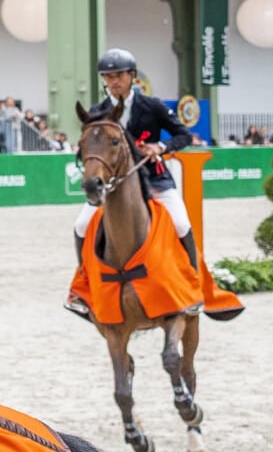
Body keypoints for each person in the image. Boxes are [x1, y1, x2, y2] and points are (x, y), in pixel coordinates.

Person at [70, 48, 198, 282]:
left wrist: (160, 146)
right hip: (112, 184)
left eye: (119, 75)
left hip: (153, 179)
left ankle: (193, 279)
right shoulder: (97, 112)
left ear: (132, 76)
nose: (114, 81)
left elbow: (184, 136)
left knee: (181, 223)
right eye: (108, 77)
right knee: (81, 225)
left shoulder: (152, 105)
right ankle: (85, 282)